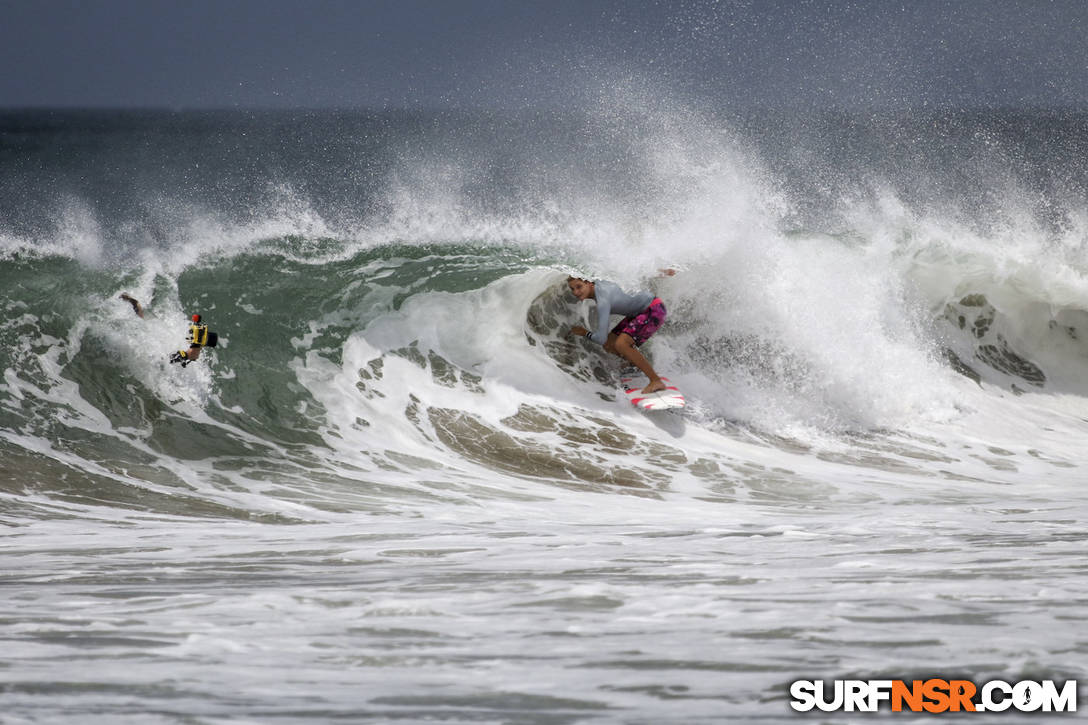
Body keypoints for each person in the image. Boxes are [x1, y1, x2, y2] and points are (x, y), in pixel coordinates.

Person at [567, 273, 672, 394]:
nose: (575, 292)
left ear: (589, 284)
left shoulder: (603, 300)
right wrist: (660, 271)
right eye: (572, 289)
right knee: (609, 344)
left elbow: (600, 338)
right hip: (639, 312)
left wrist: (584, 332)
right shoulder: (599, 282)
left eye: (579, 287)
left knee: (621, 344)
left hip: (653, 309)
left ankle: (655, 381)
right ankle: (632, 366)